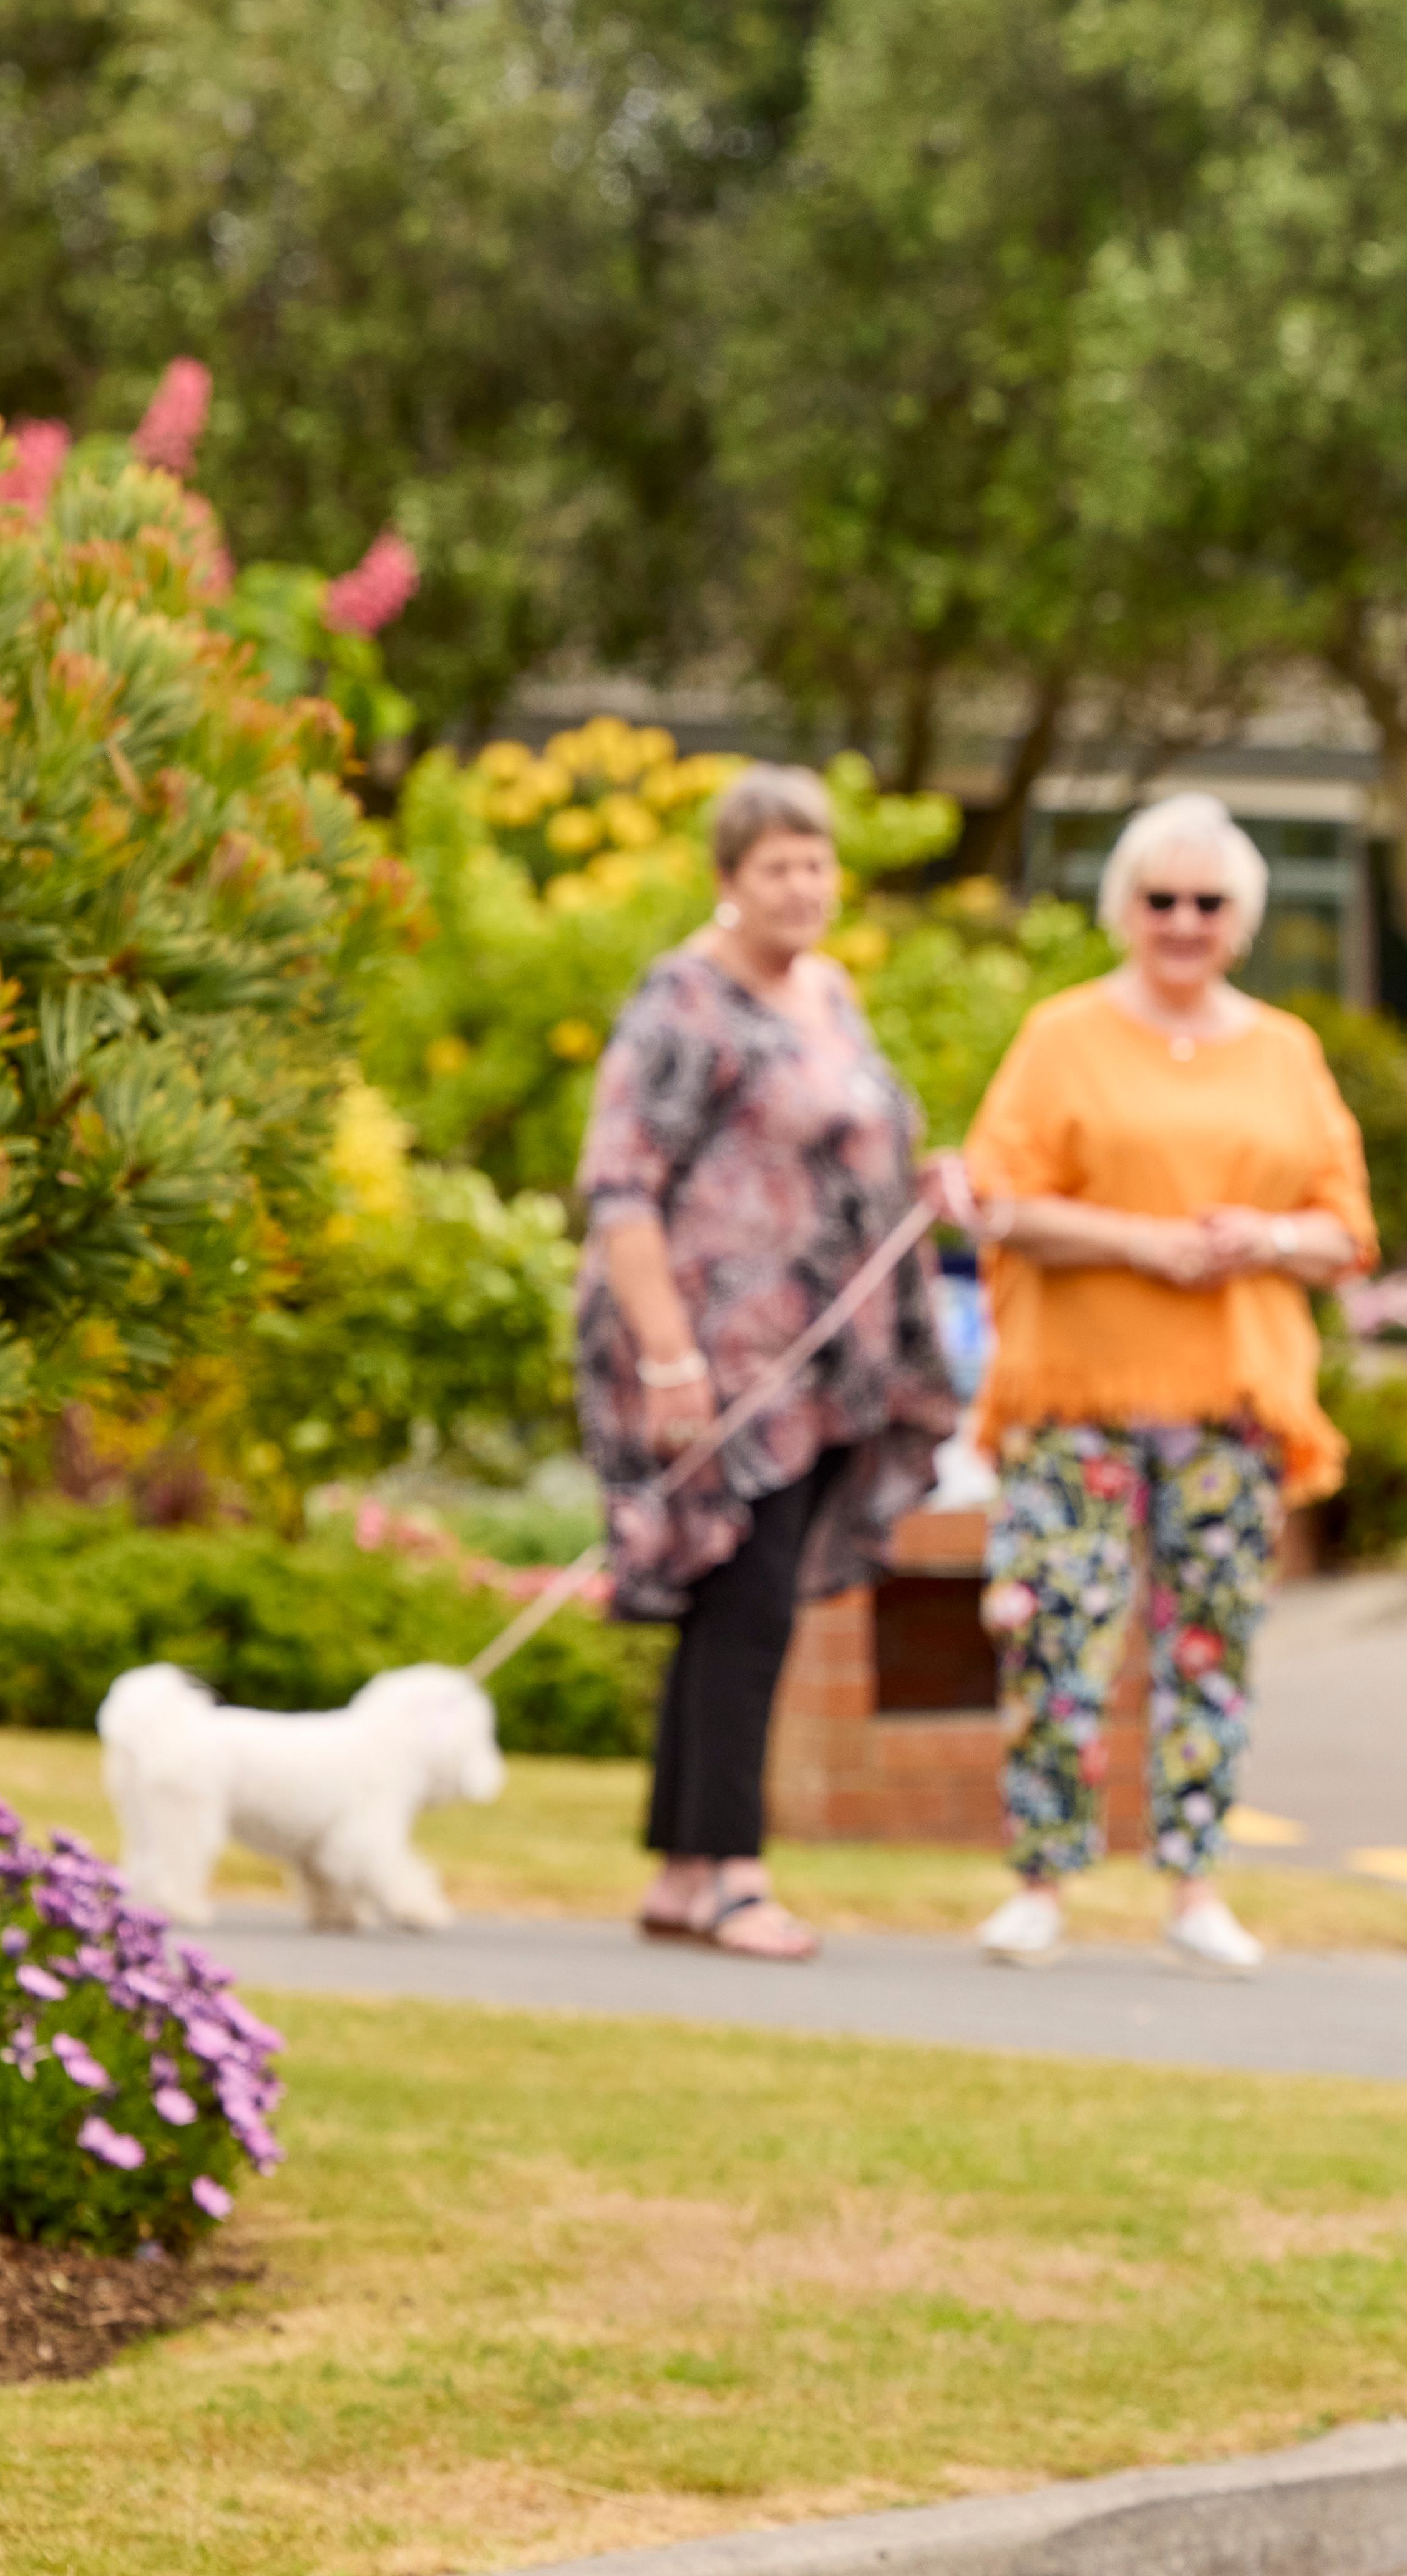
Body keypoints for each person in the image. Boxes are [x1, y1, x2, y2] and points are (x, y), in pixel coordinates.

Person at [951, 792, 1373, 1974]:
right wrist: (1139, 1243)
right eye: (1160, 899)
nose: (1183, 921)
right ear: (1123, 908)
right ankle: (1041, 1879)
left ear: (1240, 919)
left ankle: (1192, 1884)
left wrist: (1263, 1240)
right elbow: (1002, 1199)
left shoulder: (1285, 1049)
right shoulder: (1062, 1034)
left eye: (1208, 902)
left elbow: (1344, 1230)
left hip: (1229, 1404)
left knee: (1211, 1645)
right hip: (1077, 1397)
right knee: (1057, 1637)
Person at [577, 763, 960, 1963]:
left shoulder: (830, 992)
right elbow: (620, 1186)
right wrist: (671, 1358)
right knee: (740, 1598)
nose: (804, 888)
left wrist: (924, 1177)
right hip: (714, 1352)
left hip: (818, 1355)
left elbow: (846, 1143)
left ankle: (688, 1870)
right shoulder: (682, 1004)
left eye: (817, 864)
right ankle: (737, 1873)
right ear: (727, 881)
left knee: (739, 1600)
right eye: (777, 867)